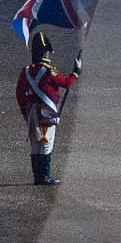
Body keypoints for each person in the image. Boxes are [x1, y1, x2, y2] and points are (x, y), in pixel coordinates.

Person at [16, 32, 82, 187]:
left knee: (35, 144)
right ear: (45, 52)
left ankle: (37, 176)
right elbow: (66, 83)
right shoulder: (49, 70)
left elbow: (19, 93)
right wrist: (76, 72)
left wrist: (25, 111)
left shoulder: (26, 71)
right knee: (46, 143)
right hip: (47, 113)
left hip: (32, 112)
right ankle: (44, 176)